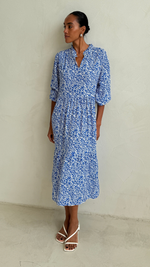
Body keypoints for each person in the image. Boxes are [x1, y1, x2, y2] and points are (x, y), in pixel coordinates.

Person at [47, 11, 111, 252]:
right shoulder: (60, 58)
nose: (64, 30)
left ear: (82, 28)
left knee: (74, 168)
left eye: (69, 26)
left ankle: (73, 222)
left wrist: (98, 123)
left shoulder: (99, 56)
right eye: (64, 26)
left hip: (84, 122)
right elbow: (54, 92)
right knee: (65, 167)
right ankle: (68, 220)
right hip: (62, 119)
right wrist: (51, 123)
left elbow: (103, 93)